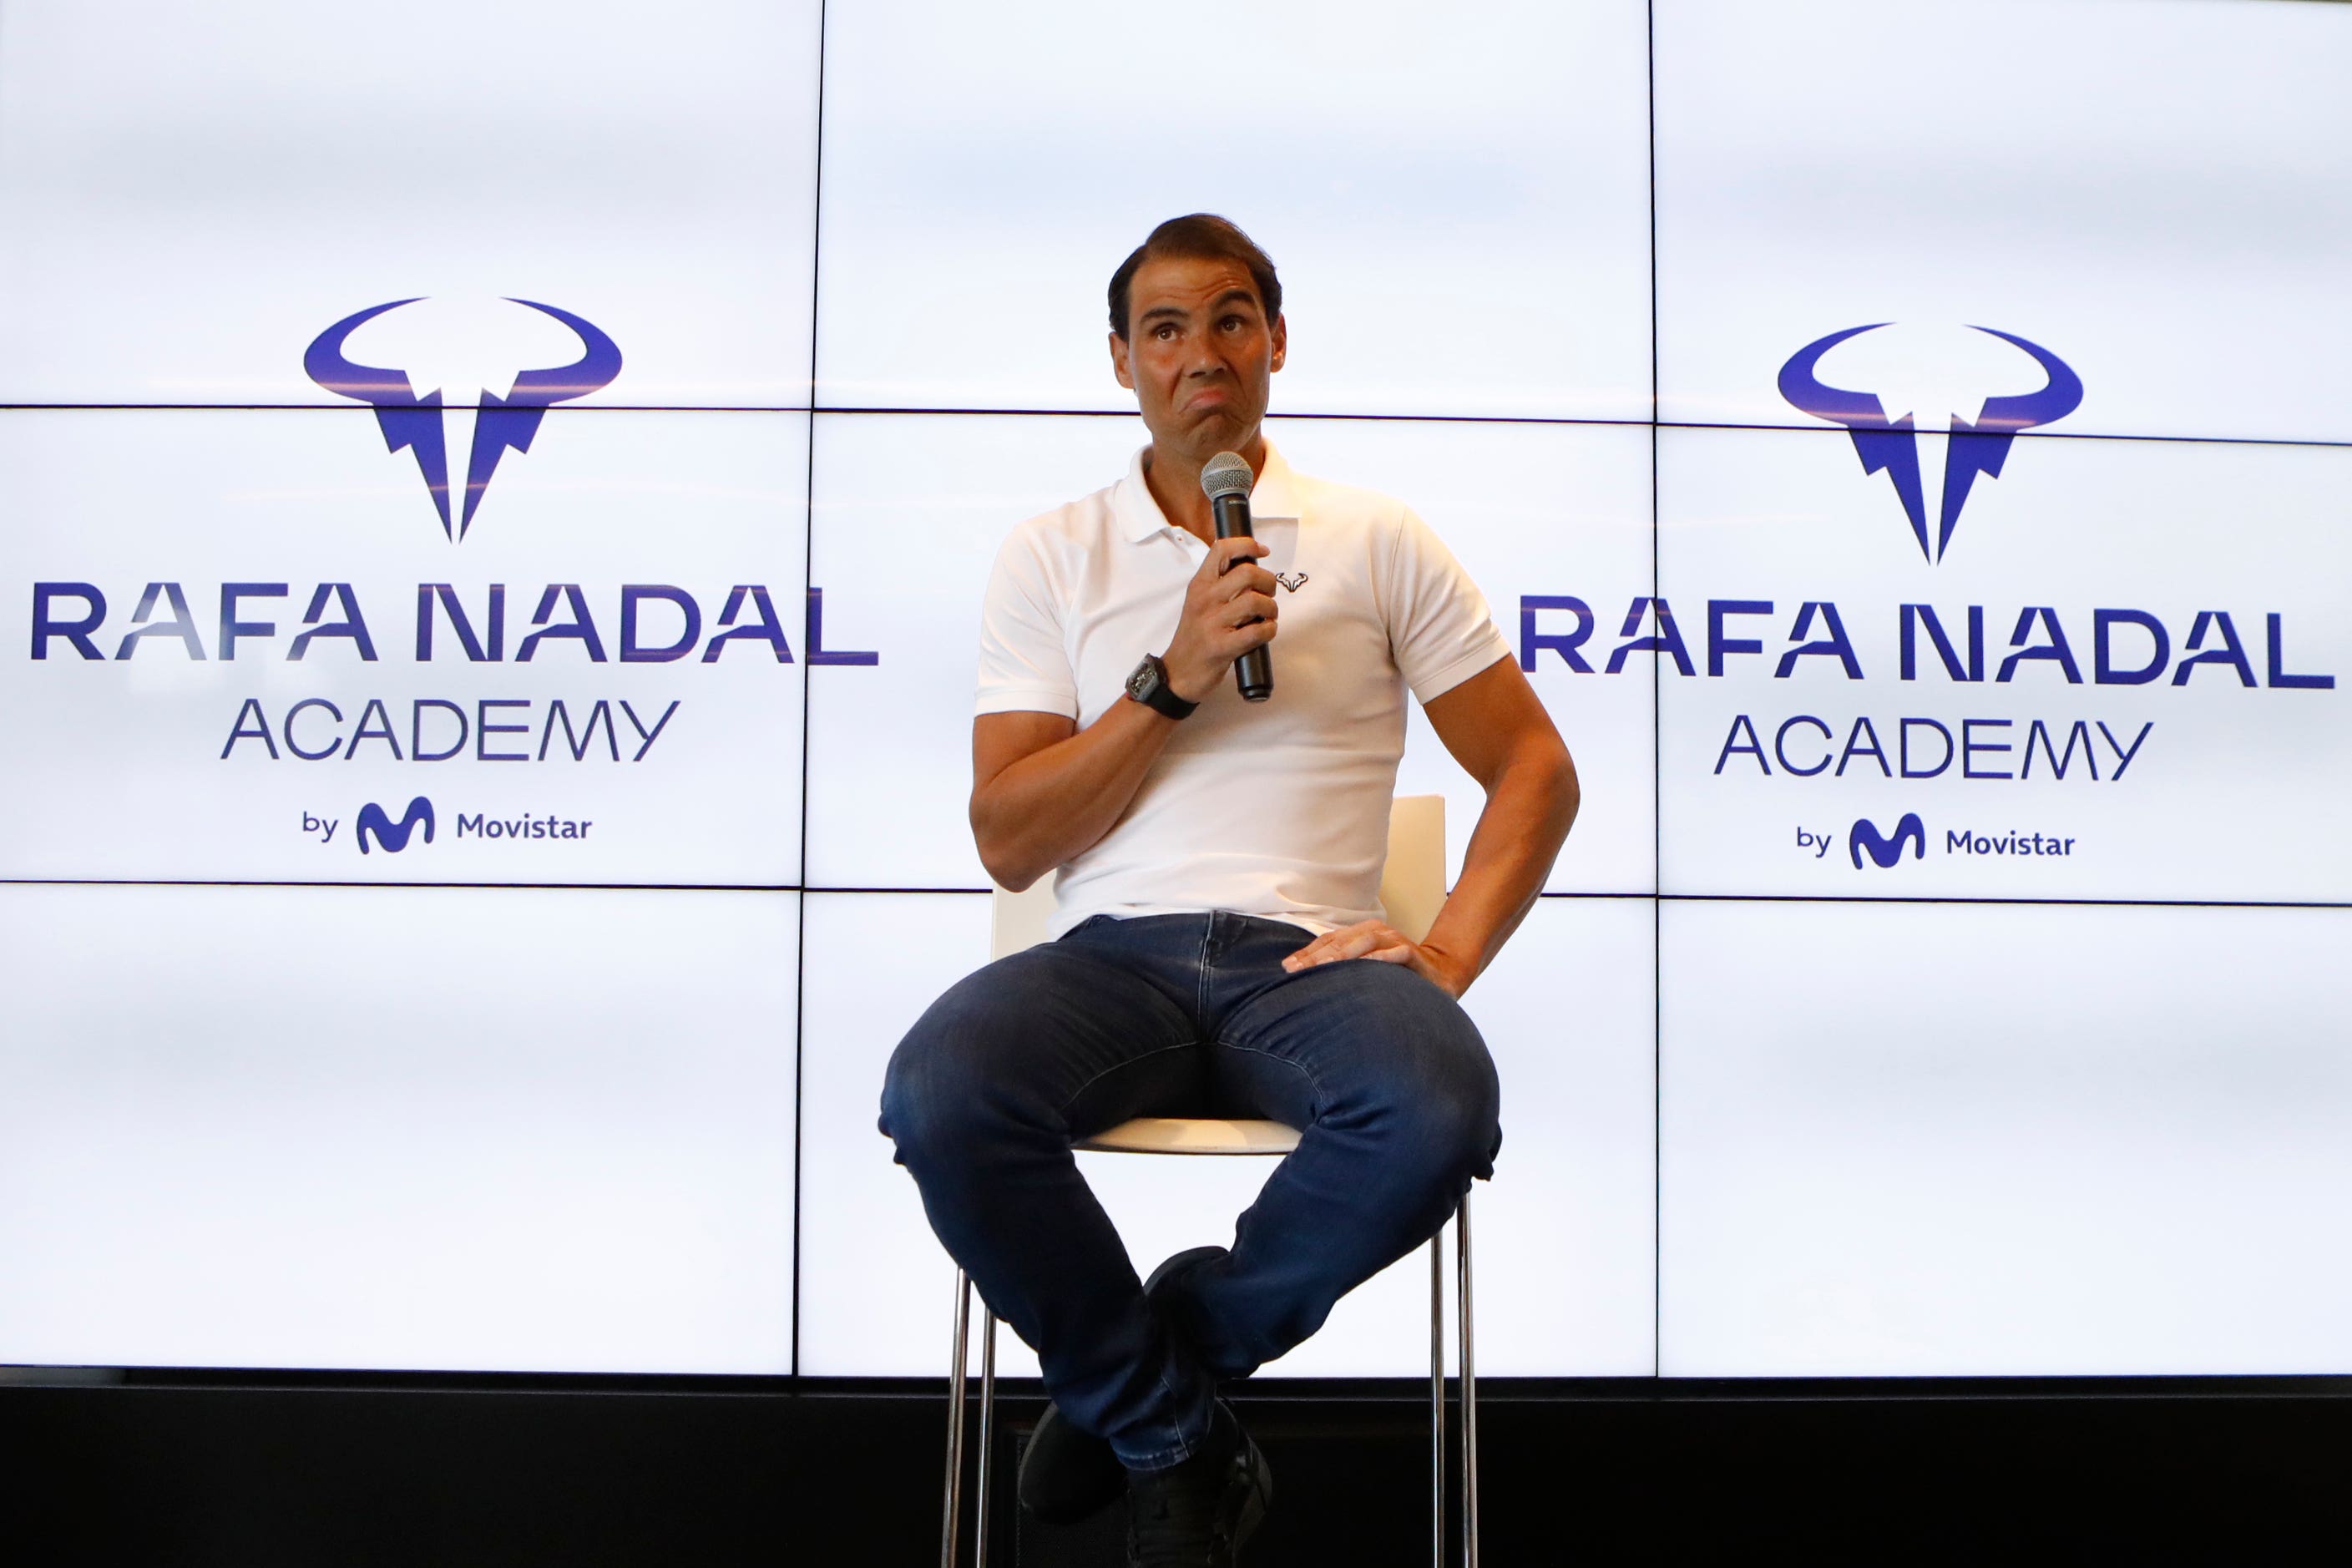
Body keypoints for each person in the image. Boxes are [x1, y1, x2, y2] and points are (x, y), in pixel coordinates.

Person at [879, 214, 1578, 1566]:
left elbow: (1536, 768)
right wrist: (1170, 677)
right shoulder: (1051, 553)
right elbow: (1008, 839)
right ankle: (1175, 1434)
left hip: (1309, 963)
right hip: (1107, 961)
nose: (1200, 353)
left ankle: (1142, 1379)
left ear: (1272, 344)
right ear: (1120, 363)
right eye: (1164, 329)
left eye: (1229, 320)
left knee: (1436, 1106)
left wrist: (1438, 957)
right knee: (940, 1092)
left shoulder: (1377, 538)